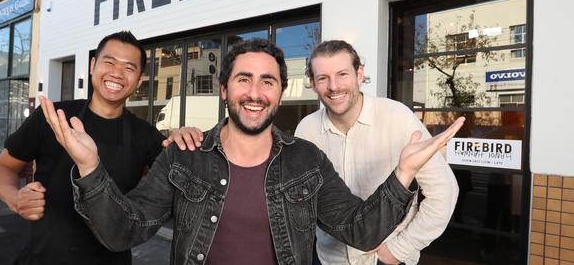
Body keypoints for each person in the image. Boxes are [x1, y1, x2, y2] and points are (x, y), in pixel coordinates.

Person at [39, 39, 464, 265]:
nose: (255, 93)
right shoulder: (183, 157)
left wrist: (403, 173)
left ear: (281, 93)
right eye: (243, 80)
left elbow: (360, 230)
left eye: (268, 82)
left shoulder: (307, 158)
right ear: (224, 90)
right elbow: (122, 233)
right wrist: (90, 166)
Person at [0, 31, 166, 264]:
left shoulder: (147, 137)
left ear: (139, 80)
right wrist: (15, 198)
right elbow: (2, 167)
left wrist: (184, 139)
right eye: (109, 62)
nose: (116, 73)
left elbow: (174, 180)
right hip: (43, 257)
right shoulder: (53, 117)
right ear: (93, 65)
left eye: (129, 68)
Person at [295, 40, 458, 265]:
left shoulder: (397, 117)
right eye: (323, 78)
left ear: (359, 74)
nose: (333, 86)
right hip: (328, 259)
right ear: (313, 84)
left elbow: (444, 191)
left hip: (385, 258)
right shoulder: (307, 129)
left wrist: (400, 249)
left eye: (342, 74)